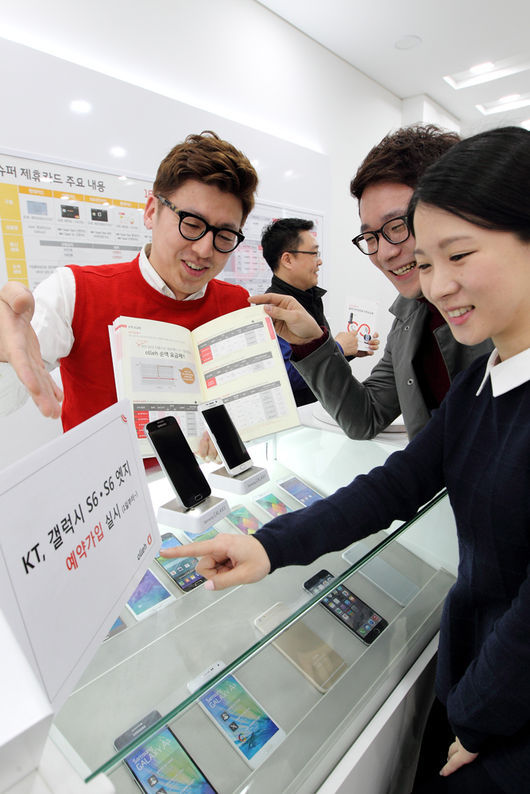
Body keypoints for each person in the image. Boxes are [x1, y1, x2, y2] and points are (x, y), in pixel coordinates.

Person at [163, 127, 530, 793]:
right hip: (473, 671)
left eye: (456, 254)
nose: (433, 281)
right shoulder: (483, 377)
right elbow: (394, 482)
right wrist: (269, 545)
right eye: (423, 257)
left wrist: (476, 719)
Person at [0, 131, 258, 456]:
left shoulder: (237, 304)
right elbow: (6, 398)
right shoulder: (75, 290)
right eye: (192, 224)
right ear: (151, 212)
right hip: (107, 482)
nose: (205, 250)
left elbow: (249, 402)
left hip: (209, 478)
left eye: (225, 235)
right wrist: (3, 353)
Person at [255, 125, 493, 439]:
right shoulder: (409, 318)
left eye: (397, 226)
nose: (384, 253)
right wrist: (312, 342)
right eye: (370, 237)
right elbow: (364, 418)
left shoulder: (501, 313)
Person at [261, 217, 378, 406]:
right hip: (301, 416)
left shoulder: (309, 297)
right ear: (288, 260)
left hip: (323, 407)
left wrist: (350, 350)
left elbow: (318, 364)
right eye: (314, 253)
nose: (320, 261)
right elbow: (284, 376)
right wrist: (338, 348)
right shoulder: (273, 309)